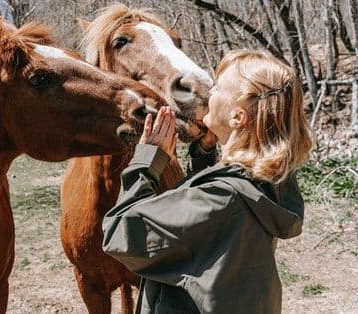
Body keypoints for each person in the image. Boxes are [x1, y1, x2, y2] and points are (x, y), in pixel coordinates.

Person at [102, 49, 313, 313]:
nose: (208, 93)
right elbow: (209, 236)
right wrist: (204, 154)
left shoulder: (220, 199)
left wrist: (146, 162)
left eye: (218, 88)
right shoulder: (269, 183)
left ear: (237, 117)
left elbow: (119, 233)